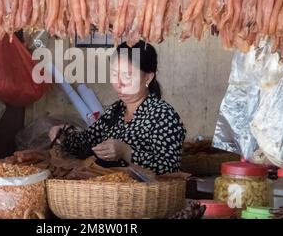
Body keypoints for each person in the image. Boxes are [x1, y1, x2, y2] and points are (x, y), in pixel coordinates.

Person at [49, 40, 187, 175]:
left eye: (127, 75)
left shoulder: (163, 115)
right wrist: (63, 134)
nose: (119, 83)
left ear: (148, 77)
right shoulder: (115, 111)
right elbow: (86, 143)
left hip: (142, 196)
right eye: (115, 74)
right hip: (109, 193)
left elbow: (170, 167)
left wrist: (126, 152)